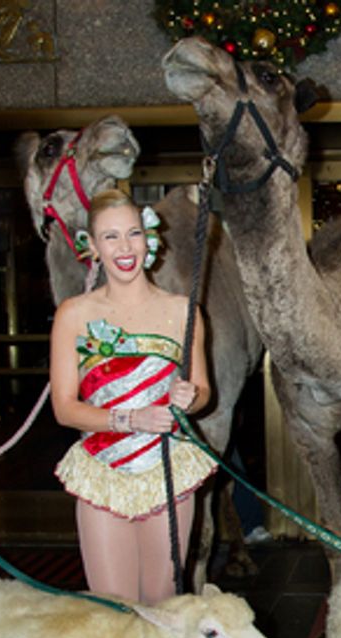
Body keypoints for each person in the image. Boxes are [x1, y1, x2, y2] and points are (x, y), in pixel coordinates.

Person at [50, 189, 213, 604]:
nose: (125, 248)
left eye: (133, 233)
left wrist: (189, 396)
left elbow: (203, 393)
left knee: (162, 604)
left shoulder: (183, 311)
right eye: (111, 237)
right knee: (113, 608)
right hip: (103, 471)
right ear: (92, 246)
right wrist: (129, 419)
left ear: (148, 237)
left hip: (168, 469)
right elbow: (64, 409)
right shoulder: (73, 314)